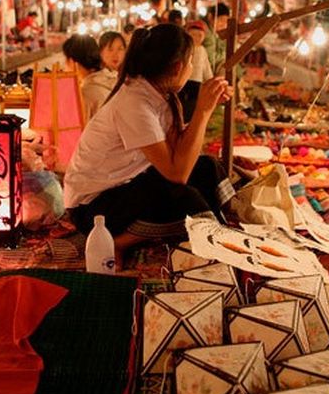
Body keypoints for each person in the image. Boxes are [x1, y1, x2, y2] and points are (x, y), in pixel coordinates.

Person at [64, 23, 234, 269]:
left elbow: (180, 155)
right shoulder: (136, 103)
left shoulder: (160, 94)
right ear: (177, 67)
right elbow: (177, 173)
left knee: (207, 167)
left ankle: (224, 221)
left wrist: (206, 108)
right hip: (92, 208)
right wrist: (203, 111)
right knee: (184, 197)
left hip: (125, 187)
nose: (190, 69)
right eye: (189, 63)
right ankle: (118, 241)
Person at [82, 31, 126, 119]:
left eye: (120, 49)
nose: (115, 54)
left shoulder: (130, 79)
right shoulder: (94, 83)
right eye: (110, 49)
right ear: (101, 52)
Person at [179, 20, 213, 120]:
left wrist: (210, 79)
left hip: (197, 82)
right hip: (183, 79)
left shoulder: (203, 50)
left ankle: (189, 119)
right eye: (193, 34)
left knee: (193, 103)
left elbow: (206, 66)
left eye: (199, 35)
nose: (196, 37)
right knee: (181, 102)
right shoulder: (185, 48)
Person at [202, 2, 230, 73]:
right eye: (221, 20)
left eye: (226, 22)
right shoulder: (206, 31)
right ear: (210, 17)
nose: (224, 24)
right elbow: (212, 59)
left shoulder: (216, 33)